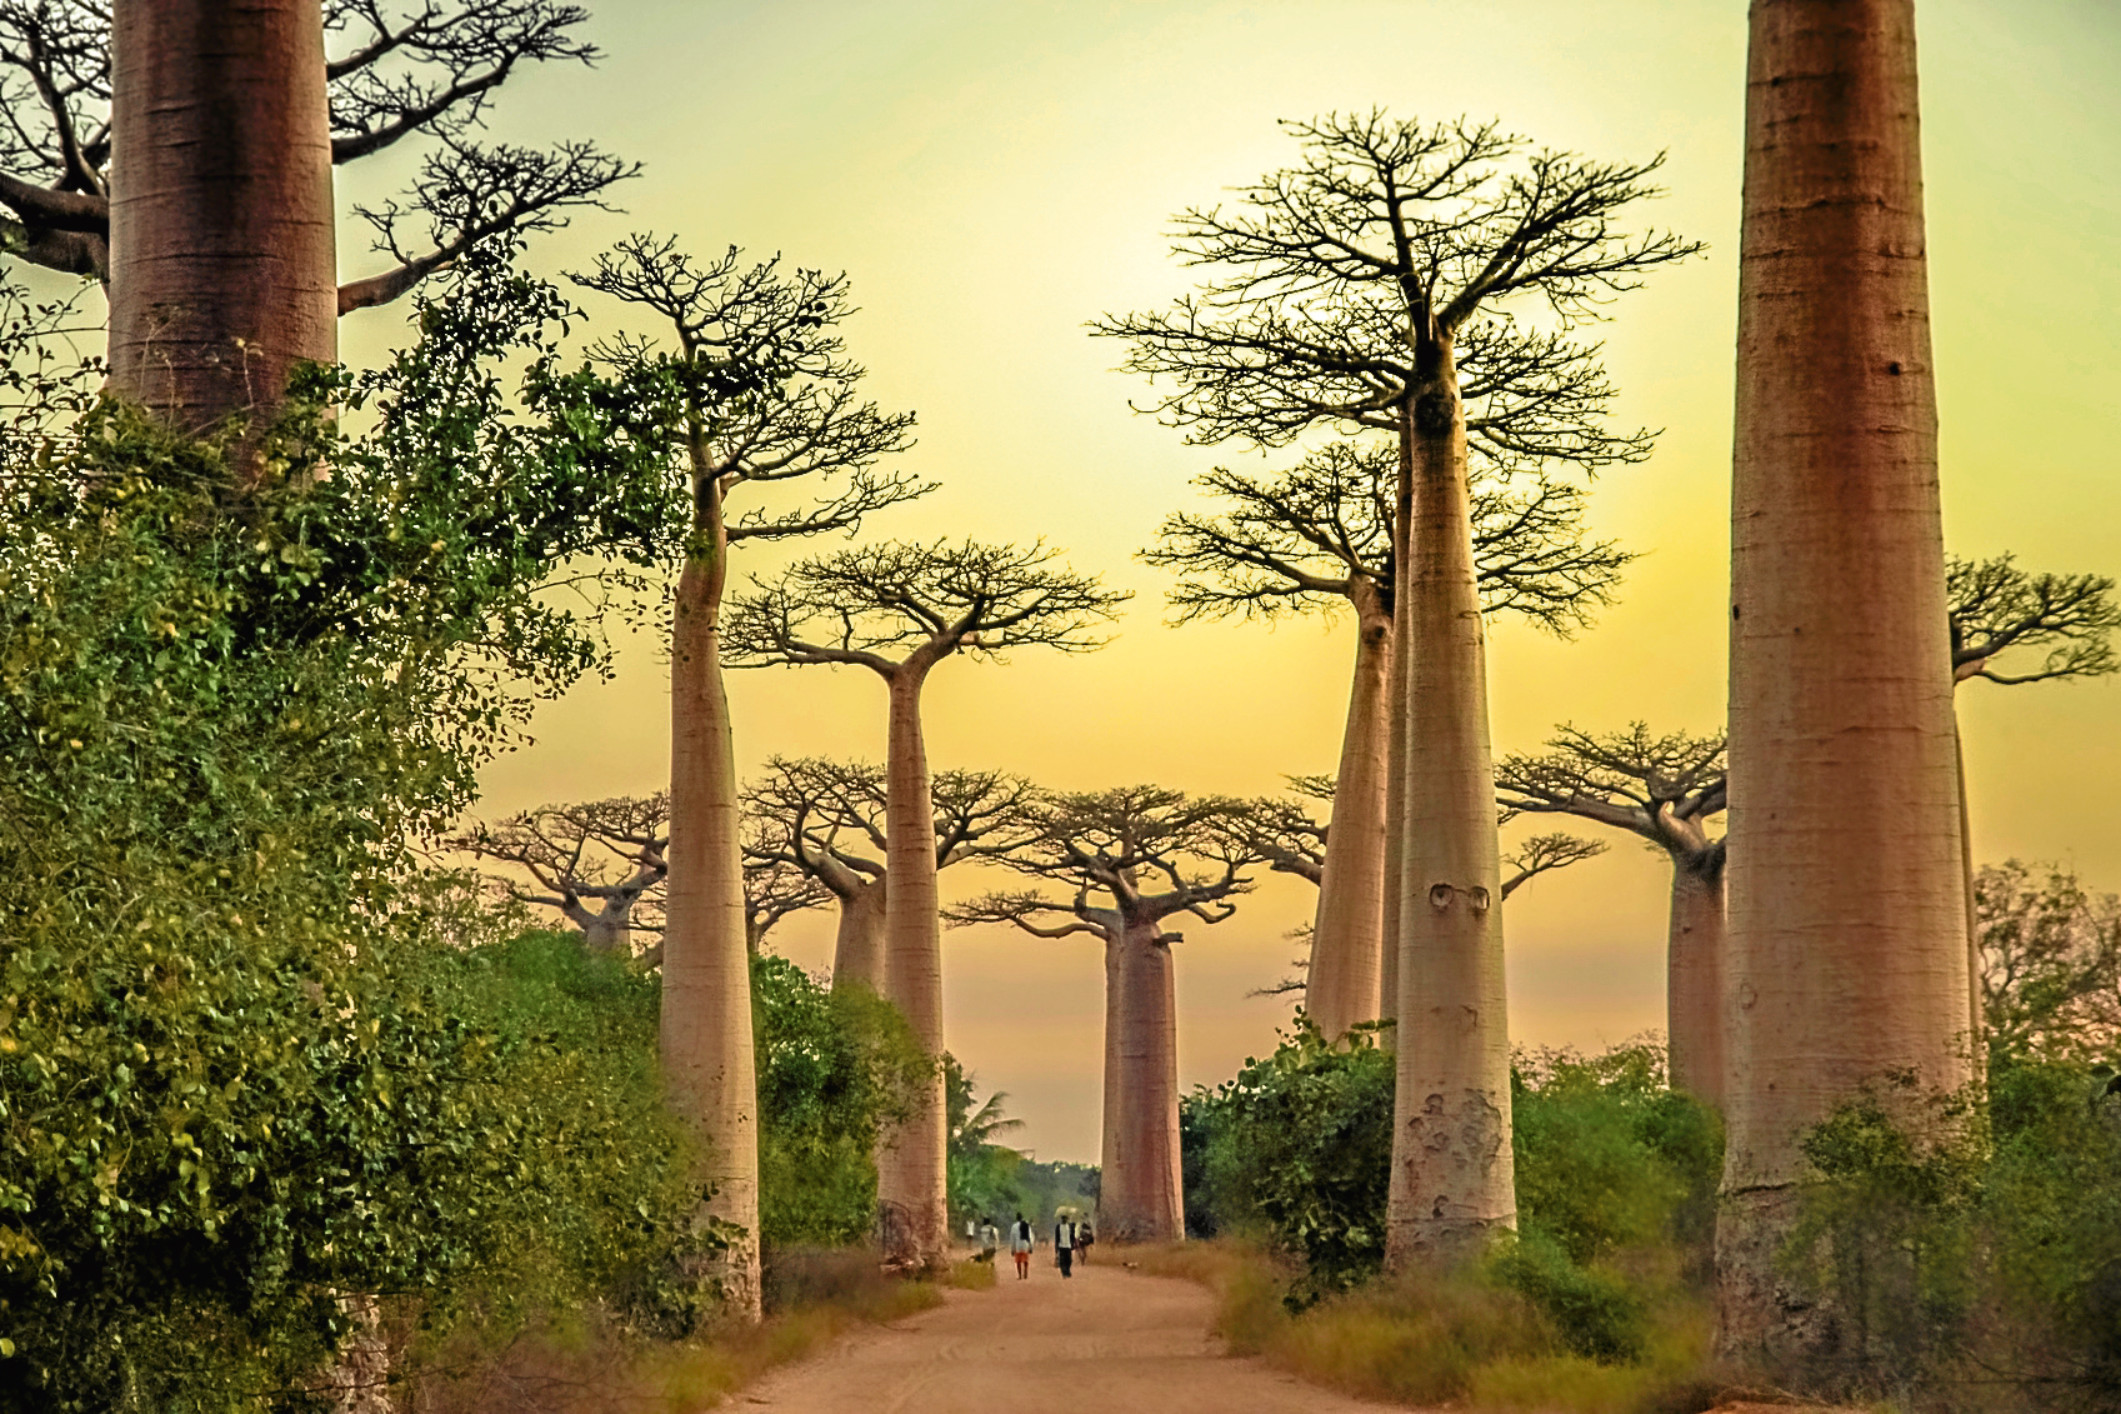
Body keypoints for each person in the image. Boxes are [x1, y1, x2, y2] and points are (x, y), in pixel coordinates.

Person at [1009, 1213, 1033, 1279]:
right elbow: (1030, 1237)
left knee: (1018, 1261)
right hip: (1025, 1245)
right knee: (1026, 1260)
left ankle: (1019, 1275)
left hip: (1018, 1246)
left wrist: (1012, 1249)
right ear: (1022, 1217)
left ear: (1016, 1218)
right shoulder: (1027, 1225)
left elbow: (1012, 1238)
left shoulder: (1014, 1226)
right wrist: (1031, 1247)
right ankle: (1025, 1273)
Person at [1053, 1214, 1076, 1278]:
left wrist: (1073, 1244)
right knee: (1062, 1261)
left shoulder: (1069, 1226)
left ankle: (1067, 1271)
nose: (1064, 1220)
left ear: (1067, 1219)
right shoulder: (1058, 1227)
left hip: (1068, 1246)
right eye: (1063, 1219)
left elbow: (1072, 1236)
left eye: (1066, 1219)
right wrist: (1056, 1248)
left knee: (1069, 1260)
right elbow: (1057, 1238)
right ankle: (1064, 1273)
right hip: (1061, 1246)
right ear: (1061, 1219)